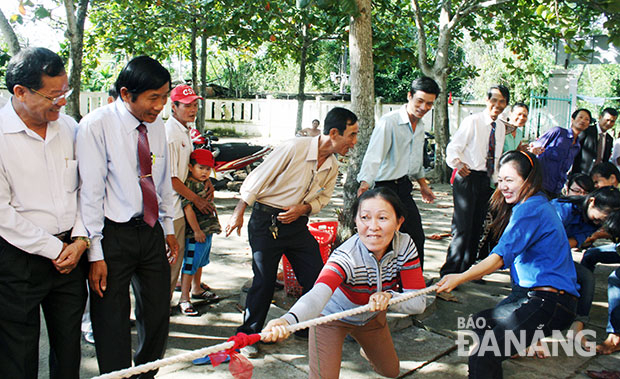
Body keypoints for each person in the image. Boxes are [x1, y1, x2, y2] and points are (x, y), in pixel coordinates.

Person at [225, 107, 358, 357]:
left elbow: (324, 198)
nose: (354, 142)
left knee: (318, 279)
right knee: (264, 282)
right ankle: (247, 336)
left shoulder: (331, 165)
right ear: (333, 133)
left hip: (297, 225)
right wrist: (239, 211)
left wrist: (304, 208)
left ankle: (305, 327)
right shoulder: (294, 148)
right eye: (351, 135)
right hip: (267, 222)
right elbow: (257, 179)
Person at [77, 56, 179, 376]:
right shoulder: (96, 125)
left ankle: (145, 373)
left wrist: (169, 228)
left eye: (165, 97)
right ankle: (116, 375)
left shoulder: (157, 125)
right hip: (112, 235)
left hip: (149, 231)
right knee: (111, 318)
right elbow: (89, 193)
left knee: (158, 311)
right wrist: (95, 253)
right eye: (154, 97)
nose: (160, 105)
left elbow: (162, 180)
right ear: (126, 94)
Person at [437, 150, 579, 378]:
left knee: (482, 354)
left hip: (550, 302)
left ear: (529, 179)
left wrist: (459, 277)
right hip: (535, 297)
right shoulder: (537, 203)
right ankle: (515, 346)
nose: (503, 186)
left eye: (510, 180)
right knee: (480, 322)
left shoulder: (530, 208)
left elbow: (499, 258)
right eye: (500, 180)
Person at [262, 187, 426, 379]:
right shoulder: (346, 256)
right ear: (355, 222)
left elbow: (418, 303)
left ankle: (368, 349)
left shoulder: (405, 245)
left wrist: (389, 297)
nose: (373, 226)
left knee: (390, 371)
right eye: (365, 217)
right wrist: (286, 320)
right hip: (332, 319)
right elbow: (318, 294)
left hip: (372, 317)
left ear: (399, 222)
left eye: (382, 218)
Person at [0, 47, 89, 379]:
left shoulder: (70, 128)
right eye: (53, 95)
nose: (61, 102)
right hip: (18, 260)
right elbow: (2, 213)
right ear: (20, 92)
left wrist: (80, 240)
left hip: (71, 256)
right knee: (17, 353)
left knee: (68, 350)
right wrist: (55, 249)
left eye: (64, 92)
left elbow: (86, 190)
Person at [357, 76, 440, 269]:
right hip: (384, 189)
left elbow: (415, 160)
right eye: (420, 101)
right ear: (409, 96)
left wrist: (423, 185)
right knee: (383, 239)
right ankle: (378, 282)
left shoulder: (420, 126)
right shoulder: (390, 122)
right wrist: (364, 185)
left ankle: (412, 285)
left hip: (403, 187)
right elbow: (373, 156)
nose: (423, 107)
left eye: (429, 104)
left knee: (416, 236)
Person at [442, 85, 509, 277]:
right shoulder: (473, 121)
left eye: (502, 101)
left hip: (485, 179)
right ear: (487, 101)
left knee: (477, 226)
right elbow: (454, 147)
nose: (497, 105)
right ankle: (450, 271)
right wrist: (457, 163)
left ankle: (468, 270)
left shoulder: (501, 126)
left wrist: (497, 181)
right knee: (462, 227)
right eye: (494, 100)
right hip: (467, 176)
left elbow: (496, 156)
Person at [166, 84, 217, 301]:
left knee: (186, 259)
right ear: (174, 106)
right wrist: (196, 199)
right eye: (187, 105)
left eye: (195, 105)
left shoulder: (185, 130)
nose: (193, 109)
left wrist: (207, 183)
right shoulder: (171, 135)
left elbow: (188, 168)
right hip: (173, 209)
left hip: (182, 206)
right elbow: (170, 178)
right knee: (172, 262)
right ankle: (162, 310)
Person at [178, 149, 221, 316]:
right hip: (195, 234)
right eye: (201, 168)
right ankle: (184, 298)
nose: (205, 172)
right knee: (190, 264)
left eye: (208, 169)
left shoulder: (204, 183)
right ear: (190, 167)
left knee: (201, 261)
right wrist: (196, 230)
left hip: (206, 231)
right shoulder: (189, 185)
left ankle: (197, 289)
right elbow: (187, 208)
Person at [531, 108, 591, 197]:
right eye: (580, 117)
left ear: (588, 125)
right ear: (572, 119)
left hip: (556, 190)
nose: (583, 120)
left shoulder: (577, 146)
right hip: (539, 185)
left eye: (587, 119)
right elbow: (535, 149)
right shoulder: (558, 132)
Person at [572, 108, 615, 175]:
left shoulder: (609, 139)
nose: (608, 123)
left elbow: (605, 160)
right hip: (581, 174)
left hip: (597, 177)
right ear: (600, 117)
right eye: (607, 120)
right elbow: (574, 152)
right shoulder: (586, 131)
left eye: (612, 121)